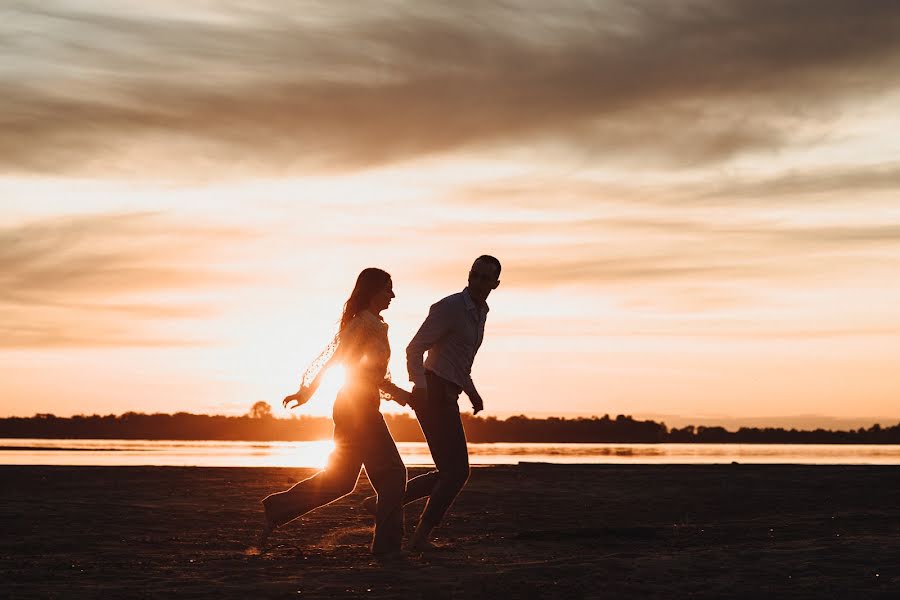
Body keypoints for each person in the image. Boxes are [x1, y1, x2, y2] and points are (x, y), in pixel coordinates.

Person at [258, 268, 410, 556]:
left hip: (358, 405)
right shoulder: (362, 324)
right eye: (388, 288)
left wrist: (402, 395)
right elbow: (337, 361)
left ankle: (277, 508)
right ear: (373, 290)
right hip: (358, 409)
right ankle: (387, 550)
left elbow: (370, 373)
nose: (393, 295)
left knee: (340, 481)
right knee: (393, 476)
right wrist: (307, 393)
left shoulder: (376, 324)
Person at [363, 255, 501, 550]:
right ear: (468, 275)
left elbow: (460, 363)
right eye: (474, 275)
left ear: (495, 284)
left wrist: (473, 393)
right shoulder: (449, 307)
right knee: (457, 472)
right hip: (433, 393)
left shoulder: (480, 313)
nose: (478, 282)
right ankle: (419, 539)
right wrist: (420, 387)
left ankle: (385, 503)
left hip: (449, 394)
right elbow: (415, 348)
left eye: (485, 278)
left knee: (449, 472)